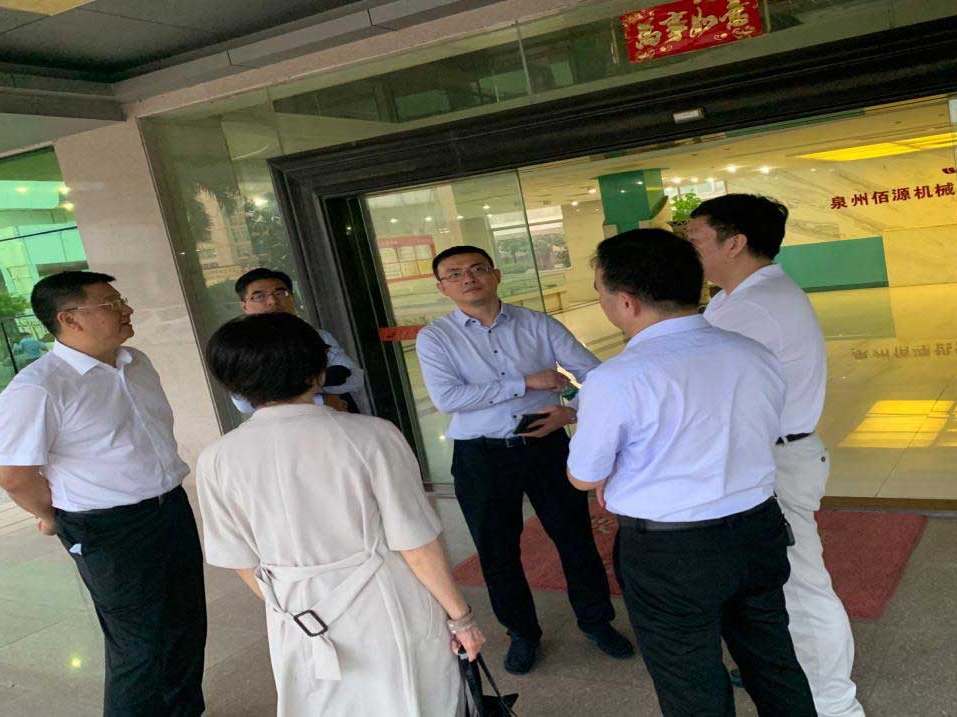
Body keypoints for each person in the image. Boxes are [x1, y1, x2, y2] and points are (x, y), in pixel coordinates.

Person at [567, 229, 815, 717]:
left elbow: (583, 475)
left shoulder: (615, 379)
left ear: (626, 302)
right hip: (758, 530)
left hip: (670, 553)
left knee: (691, 685)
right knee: (774, 662)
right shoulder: (754, 354)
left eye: (600, 292)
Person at [197, 312, 485, 715]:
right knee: (411, 699)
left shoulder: (216, 458)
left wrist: (297, 605)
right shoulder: (372, 435)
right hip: (385, 602)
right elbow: (416, 544)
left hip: (295, 613)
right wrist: (460, 618)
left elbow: (240, 560)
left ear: (234, 384)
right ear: (317, 373)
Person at [0, 271, 206, 716]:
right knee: (139, 646)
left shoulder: (136, 362)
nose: (127, 309)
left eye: (120, 300)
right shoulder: (38, 388)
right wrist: (53, 516)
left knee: (186, 625)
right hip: (107, 528)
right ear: (69, 319)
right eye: (111, 304)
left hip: (169, 507)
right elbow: (15, 476)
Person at [415, 245, 633, 675]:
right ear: (442, 287)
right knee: (496, 551)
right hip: (481, 454)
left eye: (477, 269)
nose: (468, 278)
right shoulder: (435, 337)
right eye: (455, 274)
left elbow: (596, 375)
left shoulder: (537, 324)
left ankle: (596, 621)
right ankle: (522, 633)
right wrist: (526, 382)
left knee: (575, 539)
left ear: (496, 275)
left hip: (545, 445)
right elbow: (448, 398)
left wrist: (572, 411)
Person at [688, 195, 862, 717]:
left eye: (695, 239)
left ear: (734, 243)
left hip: (778, 461)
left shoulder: (753, 306)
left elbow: (704, 386)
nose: (689, 250)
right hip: (770, 456)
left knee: (802, 586)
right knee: (778, 580)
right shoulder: (740, 297)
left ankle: (835, 703)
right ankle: (792, 673)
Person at [232, 267, 364, 413]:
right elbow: (244, 403)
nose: (273, 301)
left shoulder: (318, 336)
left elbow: (354, 379)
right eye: (259, 296)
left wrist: (280, 388)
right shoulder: (240, 347)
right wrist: (320, 397)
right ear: (244, 306)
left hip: (338, 415)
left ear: (292, 298)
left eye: (280, 293)